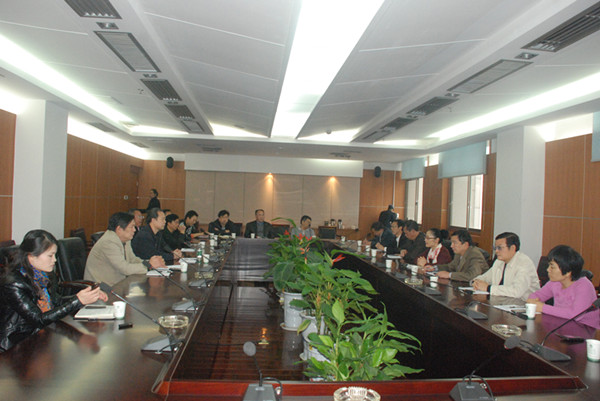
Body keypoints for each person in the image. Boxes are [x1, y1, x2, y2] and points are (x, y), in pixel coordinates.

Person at [0, 230, 107, 352]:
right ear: (31, 256)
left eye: (55, 255)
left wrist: (85, 297)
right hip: (15, 345)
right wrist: (77, 301)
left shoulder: (44, 275)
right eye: (50, 256)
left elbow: (55, 302)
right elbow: (38, 320)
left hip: (40, 335)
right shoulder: (13, 283)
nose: (55, 260)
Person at [85, 212, 166, 286]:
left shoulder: (125, 239)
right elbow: (124, 269)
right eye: (131, 227)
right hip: (101, 287)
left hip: (118, 284)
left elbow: (132, 259)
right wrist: (149, 266)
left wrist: (150, 263)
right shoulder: (109, 242)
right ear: (119, 229)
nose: (134, 230)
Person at [527, 245, 599, 328]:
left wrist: (542, 307)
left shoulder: (584, 286)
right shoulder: (555, 282)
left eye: (552, 267)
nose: (548, 269)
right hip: (561, 325)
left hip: (586, 329)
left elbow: (576, 315)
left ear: (568, 272)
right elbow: (536, 295)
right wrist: (533, 301)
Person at [472, 232, 539, 300]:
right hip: (503, 302)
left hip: (524, 304)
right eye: (495, 248)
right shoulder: (499, 262)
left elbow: (516, 291)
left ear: (512, 248)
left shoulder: (524, 264)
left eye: (500, 248)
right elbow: (485, 278)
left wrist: (488, 288)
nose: (496, 251)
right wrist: (476, 282)